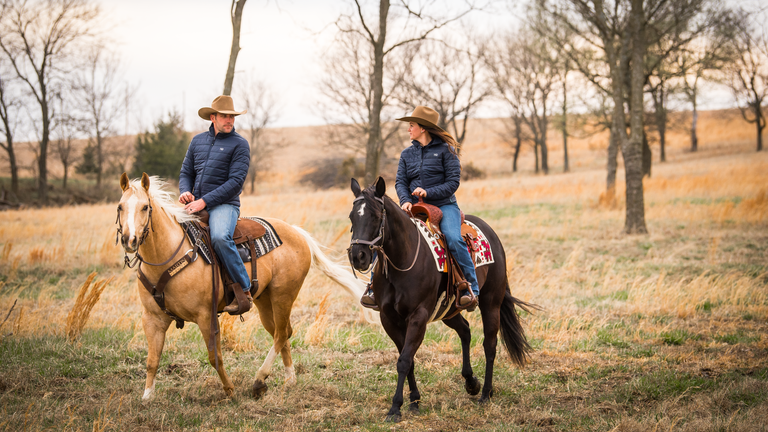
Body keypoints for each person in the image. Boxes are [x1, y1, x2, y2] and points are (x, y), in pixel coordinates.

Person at [360, 105, 479, 311]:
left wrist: (428, 192)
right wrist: (405, 200)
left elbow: (453, 182)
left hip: (444, 206)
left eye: (411, 125)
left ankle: (470, 288)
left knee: (453, 238)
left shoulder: (446, 151)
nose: (408, 129)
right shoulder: (407, 154)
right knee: (384, 235)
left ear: (422, 128)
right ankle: (372, 287)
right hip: (413, 207)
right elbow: (400, 182)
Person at [179, 95, 252, 315]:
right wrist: (185, 191)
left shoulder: (240, 144)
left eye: (232, 116)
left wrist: (204, 201)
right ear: (213, 117)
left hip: (224, 205)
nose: (229, 120)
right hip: (196, 203)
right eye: (224, 116)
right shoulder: (197, 141)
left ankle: (244, 291)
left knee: (220, 238)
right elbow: (186, 172)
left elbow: (235, 183)